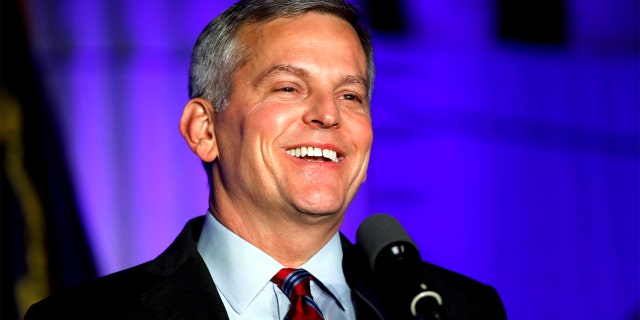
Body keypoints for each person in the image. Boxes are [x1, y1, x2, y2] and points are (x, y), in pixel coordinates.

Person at [24, 0, 507, 319]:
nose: (327, 115)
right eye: (288, 88)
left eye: (351, 95)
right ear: (204, 130)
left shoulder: (459, 309)